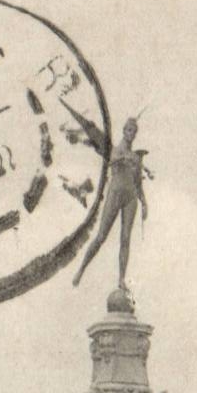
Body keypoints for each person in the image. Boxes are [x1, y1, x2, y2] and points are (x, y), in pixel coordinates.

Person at [72, 118, 149, 290]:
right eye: (129, 130)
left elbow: (138, 183)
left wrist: (144, 203)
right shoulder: (115, 150)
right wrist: (120, 159)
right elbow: (110, 161)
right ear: (124, 131)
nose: (131, 134)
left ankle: (121, 279)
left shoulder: (136, 157)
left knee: (125, 239)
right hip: (115, 194)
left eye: (134, 131)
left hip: (131, 198)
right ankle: (81, 270)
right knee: (101, 237)